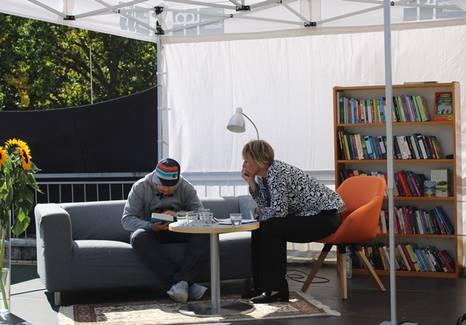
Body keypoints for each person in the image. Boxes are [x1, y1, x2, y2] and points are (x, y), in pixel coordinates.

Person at [240, 140, 344, 303]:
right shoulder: (264, 176)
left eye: (247, 160)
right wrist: (252, 183)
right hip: (307, 215)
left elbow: (278, 212)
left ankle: (277, 289)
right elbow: (267, 207)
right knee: (260, 227)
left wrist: (262, 212)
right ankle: (261, 286)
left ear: (258, 160)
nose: (244, 164)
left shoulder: (277, 172)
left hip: (325, 216)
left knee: (272, 227)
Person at [122, 158, 209, 303]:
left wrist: (179, 215)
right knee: (138, 237)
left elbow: (201, 215)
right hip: (152, 232)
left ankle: (181, 284)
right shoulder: (140, 187)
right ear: (155, 177)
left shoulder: (186, 187)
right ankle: (185, 283)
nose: (167, 189)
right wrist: (151, 225)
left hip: (180, 230)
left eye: (171, 186)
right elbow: (126, 220)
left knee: (204, 233)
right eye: (163, 185)